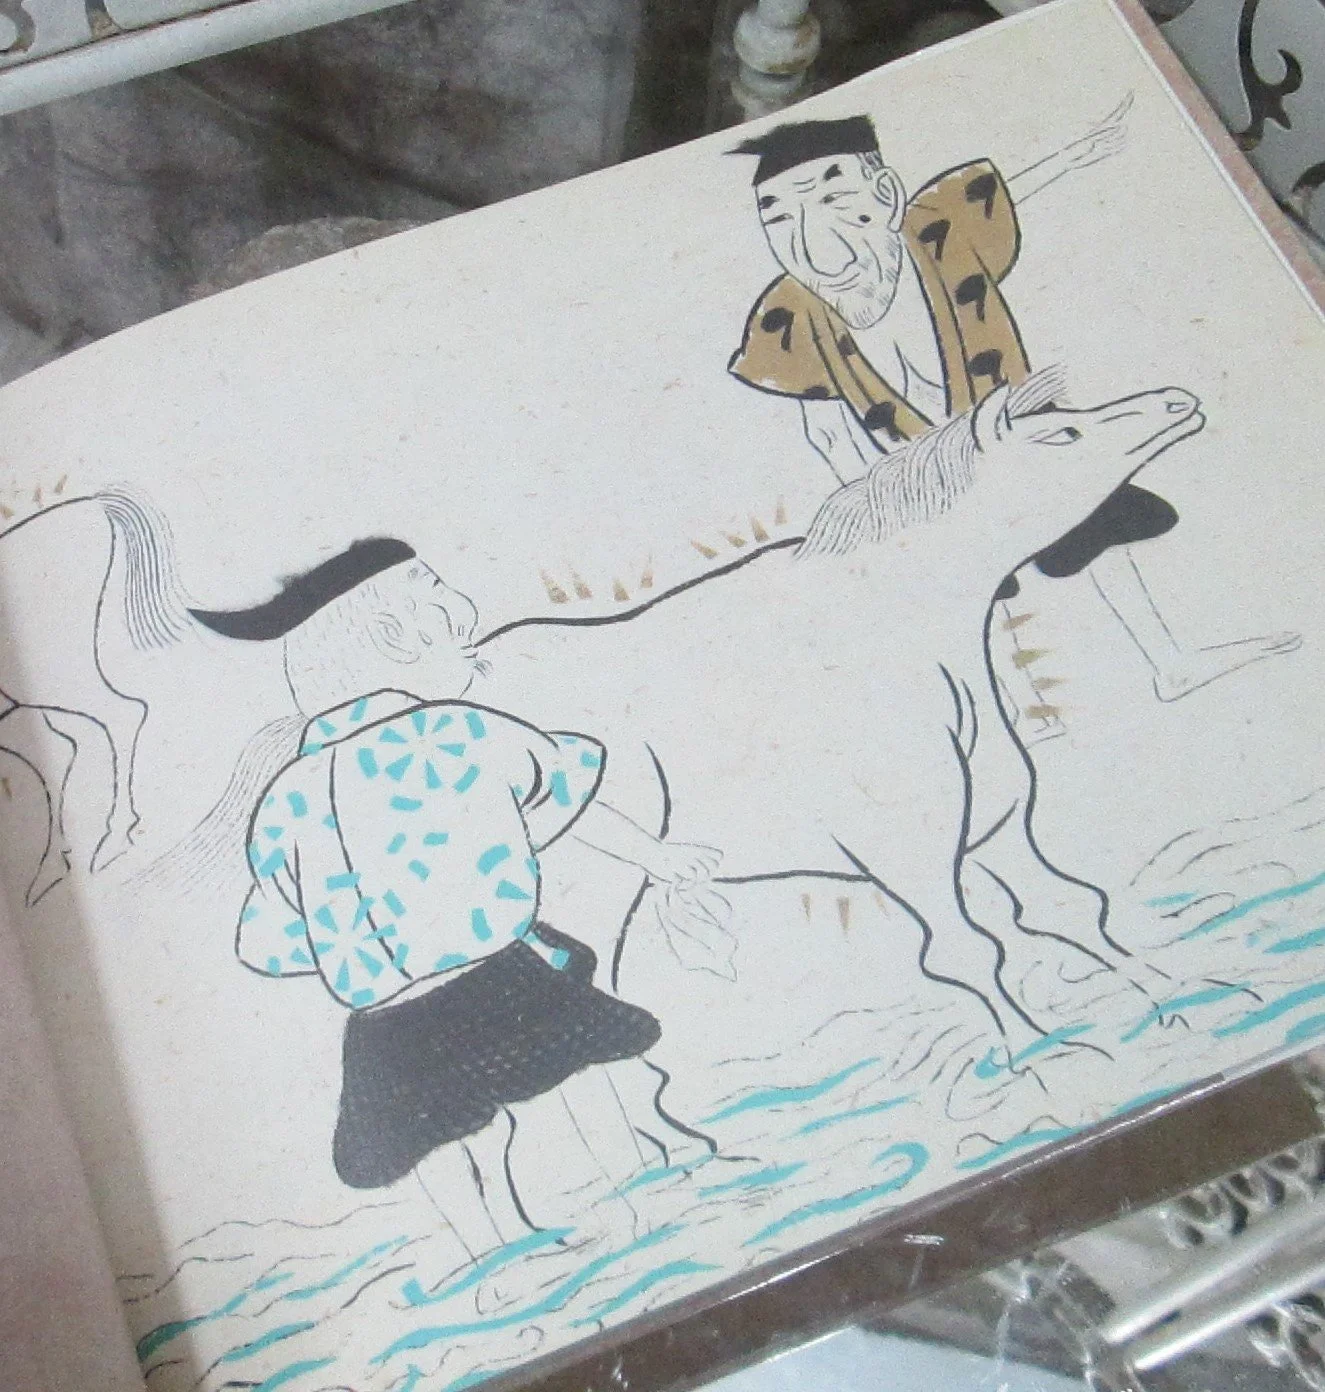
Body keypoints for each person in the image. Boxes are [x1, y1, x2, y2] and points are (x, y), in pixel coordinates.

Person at [191, 538, 720, 1267]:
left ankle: (492, 1256)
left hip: (382, 1018)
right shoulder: (458, 730)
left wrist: (369, 934)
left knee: (432, 1137)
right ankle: (633, 1186)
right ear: (391, 636)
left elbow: (271, 934)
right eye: (439, 599)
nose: (468, 615)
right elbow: (563, 795)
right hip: (494, 976)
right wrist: (656, 857)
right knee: (581, 1073)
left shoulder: (288, 798)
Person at [727, 109, 1299, 720]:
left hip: (1025, 428)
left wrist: (1075, 152)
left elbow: (1003, 193)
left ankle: (1169, 658)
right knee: (977, 582)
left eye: (834, 201)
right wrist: (883, 510)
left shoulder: (937, 229)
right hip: (934, 474)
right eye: (779, 219)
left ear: (886, 195)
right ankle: (1017, 705)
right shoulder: (789, 318)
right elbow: (824, 427)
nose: (813, 241)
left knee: (1097, 517)